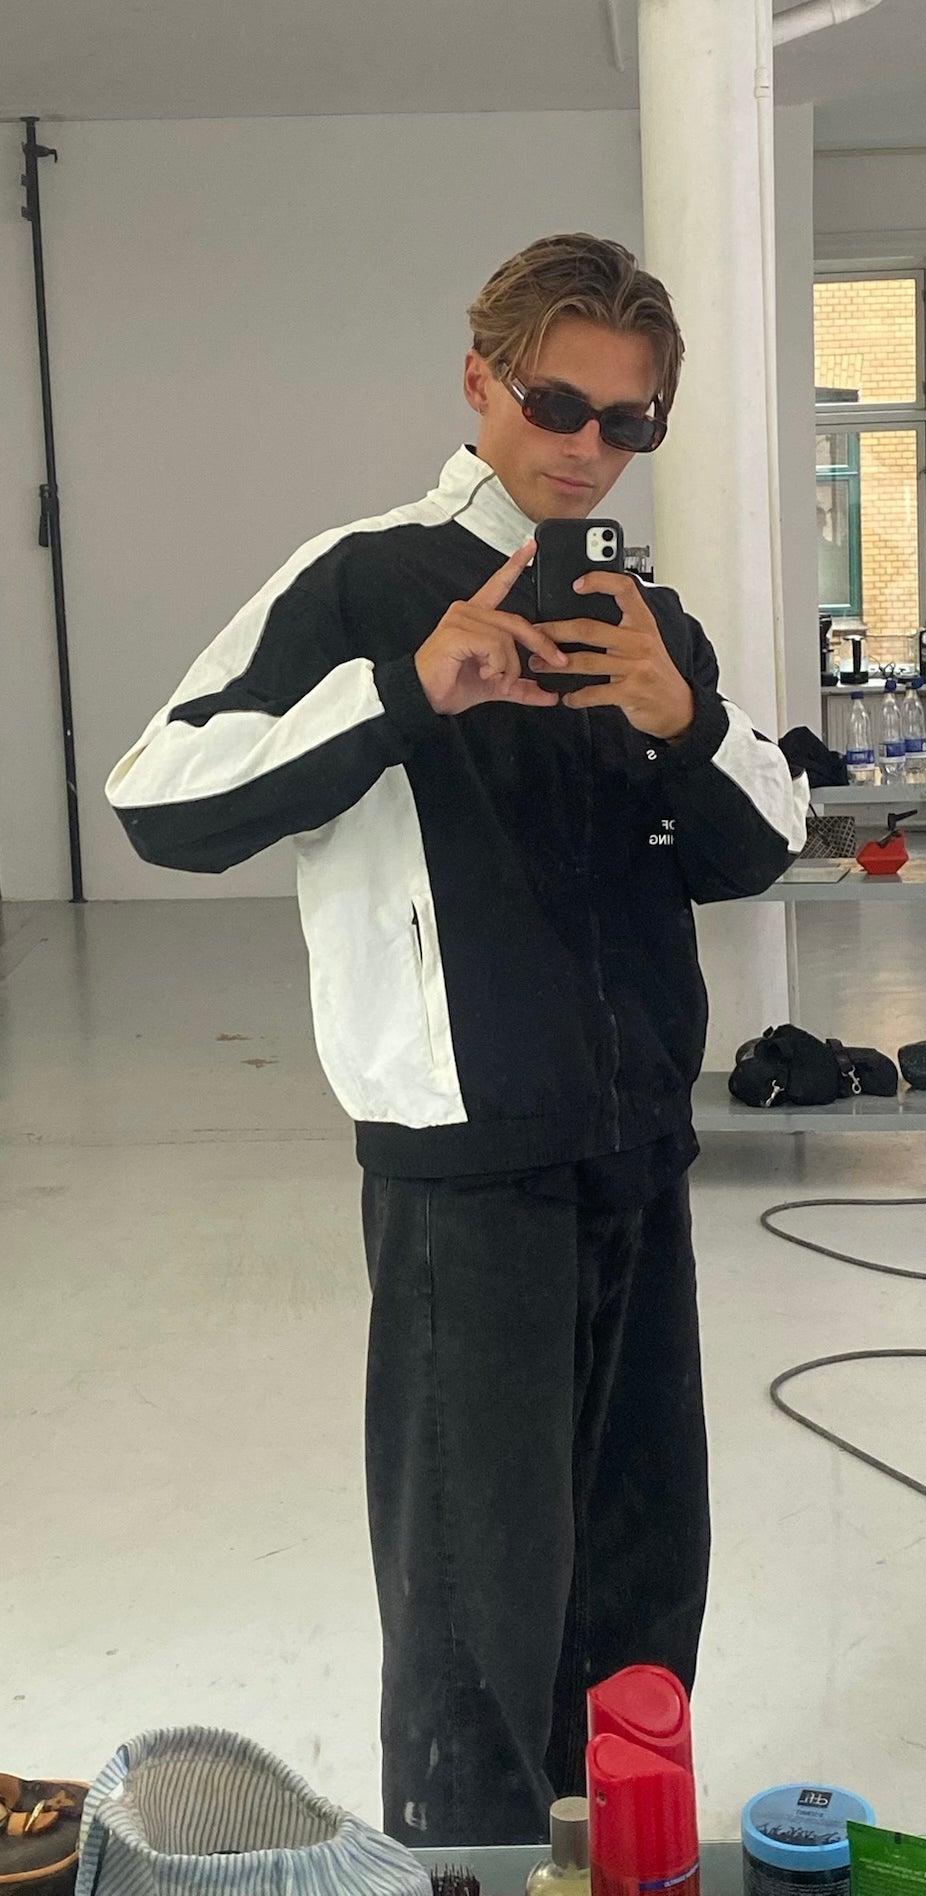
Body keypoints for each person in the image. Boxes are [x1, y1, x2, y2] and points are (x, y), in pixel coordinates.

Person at [106, 234, 809, 1845]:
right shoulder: (363, 581)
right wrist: (401, 691)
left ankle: (622, 1850)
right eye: (558, 404)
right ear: (479, 381)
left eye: (629, 421)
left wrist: (682, 719)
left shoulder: (646, 617)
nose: (587, 446)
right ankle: (469, 1868)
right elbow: (158, 795)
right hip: (465, 1178)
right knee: (477, 1607)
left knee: (642, 1572)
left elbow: (756, 848)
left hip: (638, 1155)